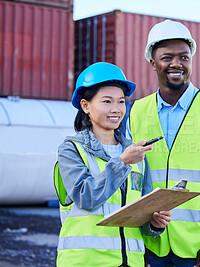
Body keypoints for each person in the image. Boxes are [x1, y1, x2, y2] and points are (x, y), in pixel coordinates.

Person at [129, 20, 200, 267]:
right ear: (152, 62)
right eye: (167, 57)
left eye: (184, 57)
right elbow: (133, 180)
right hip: (151, 245)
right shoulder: (136, 112)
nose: (176, 64)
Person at [54, 62, 171, 267]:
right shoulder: (71, 150)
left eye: (121, 101)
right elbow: (86, 197)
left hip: (131, 263)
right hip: (87, 262)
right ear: (85, 105)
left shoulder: (136, 154)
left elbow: (142, 215)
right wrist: (123, 162)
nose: (116, 109)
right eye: (107, 101)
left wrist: (154, 222)